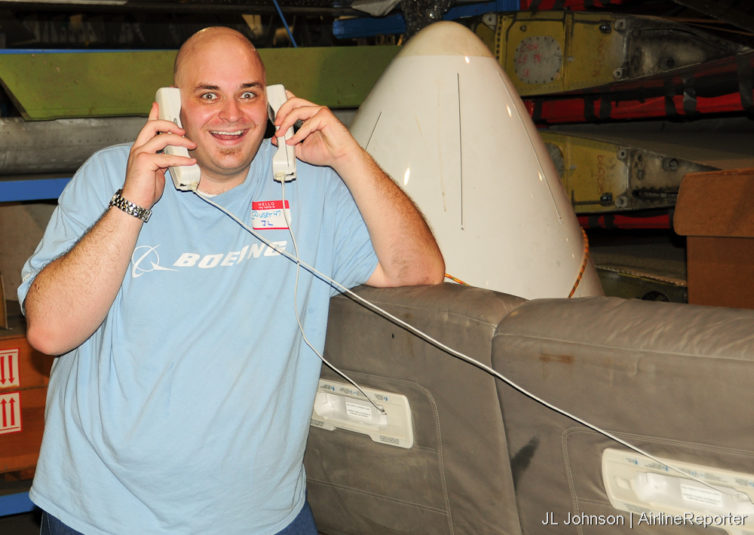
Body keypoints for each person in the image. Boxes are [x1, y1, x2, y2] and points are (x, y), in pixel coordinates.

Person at [19, 26, 444, 534]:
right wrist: (133, 201)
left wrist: (349, 158)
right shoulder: (108, 177)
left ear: (272, 102)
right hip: (103, 515)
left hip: (260, 519)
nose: (232, 114)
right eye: (208, 95)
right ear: (172, 106)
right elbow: (49, 331)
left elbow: (419, 271)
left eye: (248, 93)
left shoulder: (310, 190)